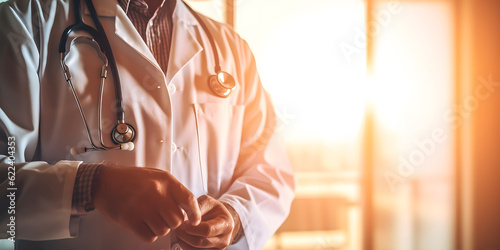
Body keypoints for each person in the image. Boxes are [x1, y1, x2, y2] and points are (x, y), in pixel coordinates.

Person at [0, 0, 295, 249]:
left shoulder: (230, 48)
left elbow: (270, 172)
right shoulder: (25, 22)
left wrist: (234, 214)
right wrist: (94, 187)